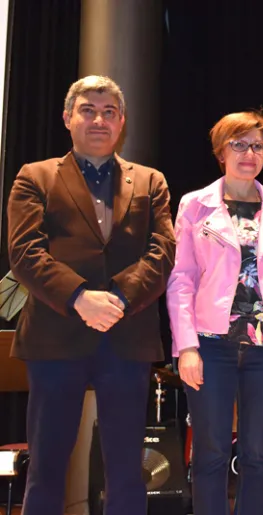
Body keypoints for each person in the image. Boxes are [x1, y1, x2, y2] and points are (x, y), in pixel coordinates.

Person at [6, 75, 175, 515]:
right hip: (55, 335)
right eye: (88, 110)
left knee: (126, 470)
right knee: (46, 466)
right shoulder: (35, 177)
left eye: (109, 112)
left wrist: (116, 299)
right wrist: (80, 297)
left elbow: (163, 251)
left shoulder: (151, 181)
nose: (98, 120)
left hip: (126, 334)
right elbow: (24, 251)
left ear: (122, 122)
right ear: (68, 118)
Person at [166, 111, 263, 514]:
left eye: (258, 146)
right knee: (210, 455)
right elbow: (181, 281)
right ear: (221, 151)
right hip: (210, 347)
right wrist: (186, 347)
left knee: (260, 456)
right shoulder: (195, 206)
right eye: (239, 144)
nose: (249, 153)